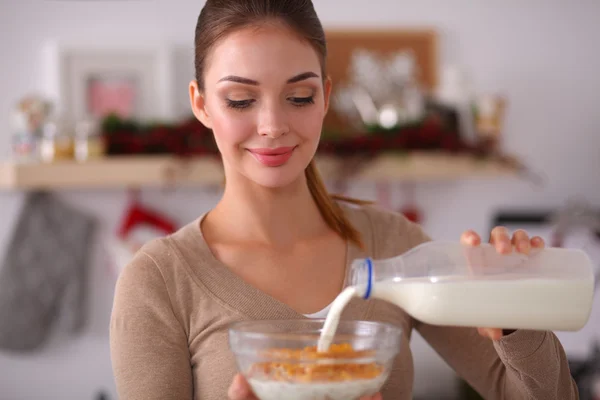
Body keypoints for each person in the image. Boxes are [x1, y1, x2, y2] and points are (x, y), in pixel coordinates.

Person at [109, 0, 579, 399]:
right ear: (201, 103)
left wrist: (518, 320)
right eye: (240, 100)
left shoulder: (395, 245)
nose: (273, 125)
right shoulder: (158, 282)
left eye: (299, 96)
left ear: (326, 97)